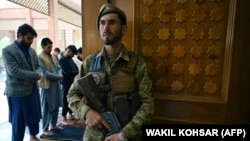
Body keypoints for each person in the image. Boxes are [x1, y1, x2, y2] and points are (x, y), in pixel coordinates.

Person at [67, 3, 154, 141]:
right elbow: (72, 94)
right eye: (102, 23)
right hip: (94, 137)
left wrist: (123, 135)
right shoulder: (89, 63)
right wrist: (86, 112)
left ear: (124, 29)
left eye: (112, 22)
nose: (106, 28)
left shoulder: (137, 63)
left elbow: (147, 105)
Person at [2, 23, 42, 141]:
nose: (31, 41)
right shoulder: (8, 50)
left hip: (32, 89)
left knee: (34, 117)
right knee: (18, 121)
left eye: (32, 39)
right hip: (17, 92)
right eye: (29, 38)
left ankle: (33, 137)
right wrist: (36, 75)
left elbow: (38, 67)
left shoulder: (32, 51)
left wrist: (34, 77)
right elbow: (14, 71)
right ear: (20, 35)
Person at [37, 37, 64, 136]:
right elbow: (44, 73)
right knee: (46, 107)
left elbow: (59, 67)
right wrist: (58, 76)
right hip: (47, 86)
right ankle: (44, 128)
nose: (50, 49)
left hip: (56, 84)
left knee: (56, 105)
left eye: (51, 47)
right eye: (48, 47)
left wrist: (59, 74)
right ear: (43, 46)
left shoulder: (53, 56)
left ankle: (53, 124)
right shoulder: (40, 57)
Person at [58, 45, 79, 125]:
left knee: (72, 98)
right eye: (72, 54)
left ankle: (70, 114)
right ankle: (64, 117)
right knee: (65, 99)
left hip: (72, 82)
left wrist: (75, 74)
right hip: (66, 83)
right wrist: (75, 74)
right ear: (68, 51)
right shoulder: (62, 60)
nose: (73, 56)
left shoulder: (70, 59)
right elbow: (67, 72)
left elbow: (76, 68)